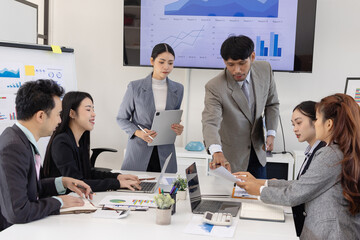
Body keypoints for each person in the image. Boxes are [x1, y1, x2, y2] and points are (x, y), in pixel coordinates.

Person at [236, 94, 360, 239]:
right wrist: (262, 183)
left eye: (318, 119)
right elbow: (304, 184)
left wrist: (259, 190)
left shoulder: (331, 154)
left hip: (329, 234)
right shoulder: (339, 151)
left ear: (329, 124)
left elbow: (295, 194)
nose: (316, 123)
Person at [0, 80, 93, 232]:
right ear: (41, 116)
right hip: (11, 232)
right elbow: (17, 212)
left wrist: (61, 182)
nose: (60, 120)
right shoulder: (13, 147)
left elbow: (30, 188)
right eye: (58, 114)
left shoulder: (20, 139)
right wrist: (59, 202)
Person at [202, 35, 280, 178]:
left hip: (258, 154)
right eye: (230, 64)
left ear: (252, 56)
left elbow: (272, 103)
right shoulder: (215, 86)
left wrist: (271, 133)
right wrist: (216, 151)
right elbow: (210, 122)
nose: (237, 70)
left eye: (242, 63)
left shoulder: (265, 70)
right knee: (230, 200)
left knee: (259, 199)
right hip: (230, 159)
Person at [43, 91, 141, 192]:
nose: (93, 114)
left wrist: (117, 177)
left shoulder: (80, 140)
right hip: (64, 201)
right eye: (88, 109)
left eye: (93, 109)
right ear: (72, 113)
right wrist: (117, 184)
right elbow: (78, 183)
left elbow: (88, 173)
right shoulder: (61, 142)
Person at [117, 43, 184, 173]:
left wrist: (177, 128)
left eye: (170, 63)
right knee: (135, 190)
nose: (166, 67)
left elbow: (172, 118)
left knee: (164, 191)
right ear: (152, 61)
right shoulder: (135, 87)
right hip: (139, 151)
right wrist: (138, 133)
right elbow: (121, 118)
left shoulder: (178, 89)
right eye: (162, 62)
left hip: (165, 153)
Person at [291, 101, 326, 236]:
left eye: (299, 123)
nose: (295, 129)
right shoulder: (312, 151)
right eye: (293, 124)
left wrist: (262, 188)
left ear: (316, 121)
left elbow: (302, 191)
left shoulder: (324, 153)